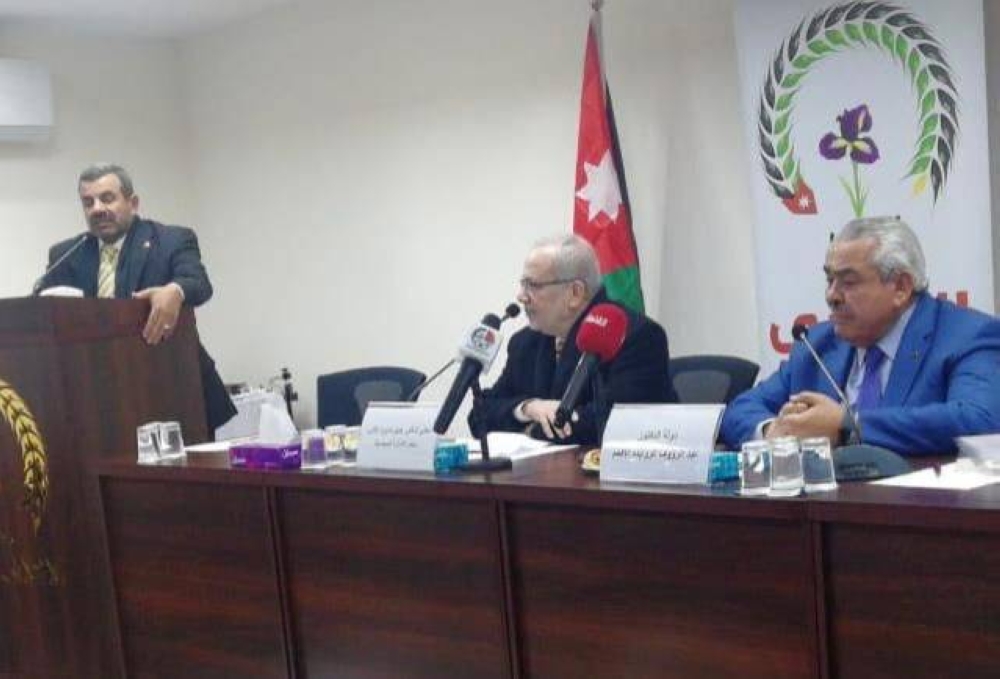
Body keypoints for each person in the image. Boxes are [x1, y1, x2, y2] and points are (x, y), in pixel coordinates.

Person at [720, 215, 1000, 455]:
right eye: (830, 280)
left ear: (901, 287)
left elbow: (980, 420)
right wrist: (774, 431)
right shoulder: (817, 345)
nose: (831, 296)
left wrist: (847, 426)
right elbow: (741, 409)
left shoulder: (967, 336)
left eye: (848, 282)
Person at [41, 163, 236, 434]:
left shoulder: (170, 240)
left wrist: (175, 290)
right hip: (99, 403)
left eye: (107, 198)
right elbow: (41, 306)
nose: (97, 208)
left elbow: (199, 283)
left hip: (174, 389)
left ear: (132, 203)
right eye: (88, 202)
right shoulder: (67, 254)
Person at [469, 234, 675, 445]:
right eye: (523, 284)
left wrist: (531, 430)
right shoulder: (525, 342)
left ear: (575, 293)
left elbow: (612, 424)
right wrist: (528, 408)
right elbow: (479, 416)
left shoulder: (636, 336)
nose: (521, 296)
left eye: (533, 285)